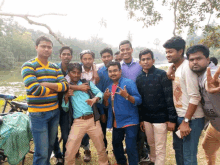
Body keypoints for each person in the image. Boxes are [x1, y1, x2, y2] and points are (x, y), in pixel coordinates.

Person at [21, 36, 68, 165]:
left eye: (49, 47)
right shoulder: (28, 66)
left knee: (49, 146)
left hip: (54, 112)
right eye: (43, 46)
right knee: (41, 151)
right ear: (36, 47)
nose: (46, 49)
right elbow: (35, 90)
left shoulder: (54, 67)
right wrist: (55, 88)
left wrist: (46, 84)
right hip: (38, 114)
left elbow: (65, 86)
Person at [163, 36, 204, 165]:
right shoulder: (178, 67)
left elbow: (195, 96)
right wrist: (171, 68)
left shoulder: (187, 68)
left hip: (192, 118)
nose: (167, 55)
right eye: (166, 52)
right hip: (180, 117)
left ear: (180, 51)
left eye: (170, 51)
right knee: (179, 151)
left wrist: (186, 121)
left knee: (188, 155)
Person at [62, 63, 109, 165]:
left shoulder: (87, 83)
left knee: (101, 147)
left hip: (93, 120)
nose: (76, 75)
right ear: (68, 74)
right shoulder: (67, 87)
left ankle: (104, 163)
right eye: (73, 72)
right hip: (78, 122)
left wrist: (95, 99)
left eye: (78, 73)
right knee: (70, 149)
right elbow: (65, 108)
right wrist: (66, 97)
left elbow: (100, 93)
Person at [136, 49, 177, 165]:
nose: (146, 61)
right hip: (147, 119)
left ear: (153, 60)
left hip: (161, 118)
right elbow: (140, 102)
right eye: (143, 59)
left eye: (148, 59)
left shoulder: (161, 74)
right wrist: (142, 119)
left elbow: (169, 98)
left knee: (160, 147)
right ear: (140, 62)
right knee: (151, 144)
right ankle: (153, 161)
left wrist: (171, 119)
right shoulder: (139, 78)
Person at [187, 44, 220, 165]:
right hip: (214, 125)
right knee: (207, 147)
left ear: (207, 59)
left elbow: (210, 80)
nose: (195, 62)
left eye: (199, 58)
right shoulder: (196, 74)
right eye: (192, 59)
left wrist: (213, 85)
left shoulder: (212, 73)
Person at [103, 61, 142, 165]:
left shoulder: (128, 83)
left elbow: (139, 100)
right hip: (117, 122)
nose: (113, 73)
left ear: (120, 71)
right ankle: (121, 162)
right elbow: (107, 106)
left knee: (130, 147)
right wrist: (105, 99)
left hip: (130, 120)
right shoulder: (110, 86)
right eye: (110, 71)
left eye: (115, 70)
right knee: (116, 143)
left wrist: (127, 96)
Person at [119, 40, 148, 162]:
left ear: (131, 49)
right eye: (122, 50)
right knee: (129, 131)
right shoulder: (118, 67)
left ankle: (142, 154)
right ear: (120, 51)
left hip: (140, 100)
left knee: (141, 130)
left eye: (127, 49)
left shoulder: (139, 64)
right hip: (125, 103)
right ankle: (134, 153)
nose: (125, 52)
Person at [53, 46, 73, 165]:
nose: (66, 56)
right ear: (60, 56)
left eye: (68, 54)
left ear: (71, 56)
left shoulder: (73, 69)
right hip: (53, 105)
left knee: (66, 134)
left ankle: (66, 155)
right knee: (53, 134)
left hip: (67, 106)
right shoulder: (54, 68)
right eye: (64, 54)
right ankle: (58, 155)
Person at [96, 47, 114, 151]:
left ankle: (117, 150)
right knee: (102, 131)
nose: (106, 58)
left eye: (108, 56)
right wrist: (102, 112)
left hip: (117, 106)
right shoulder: (100, 72)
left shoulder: (118, 69)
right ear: (101, 58)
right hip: (105, 106)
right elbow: (98, 93)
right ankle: (104, 151)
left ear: (112, 57)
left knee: (117, 131)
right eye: (104, 57)